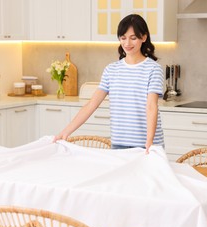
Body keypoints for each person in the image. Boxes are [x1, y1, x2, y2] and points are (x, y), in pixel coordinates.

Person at [53, 14, 164, 153]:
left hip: (147, 145)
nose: (127, 43)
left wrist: (149, 142)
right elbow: (91, 104)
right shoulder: (111, 70)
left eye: (133, 38)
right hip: (119, 144)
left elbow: (151, 106)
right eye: (123, 38)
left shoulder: (153, 69)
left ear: (144, 37)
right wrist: (65, 132)